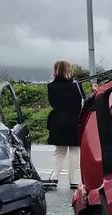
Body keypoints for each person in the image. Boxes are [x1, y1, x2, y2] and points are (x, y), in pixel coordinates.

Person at [45, 60, 82, 189]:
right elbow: (80, 103)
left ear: (55, 70)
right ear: (68, 70)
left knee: (59, 152)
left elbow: (52, 103)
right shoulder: (76, 85)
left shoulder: (51, 86)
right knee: (74, 153)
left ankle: (54, 178)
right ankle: (74, 181)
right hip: (74, 121)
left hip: (57, 121)